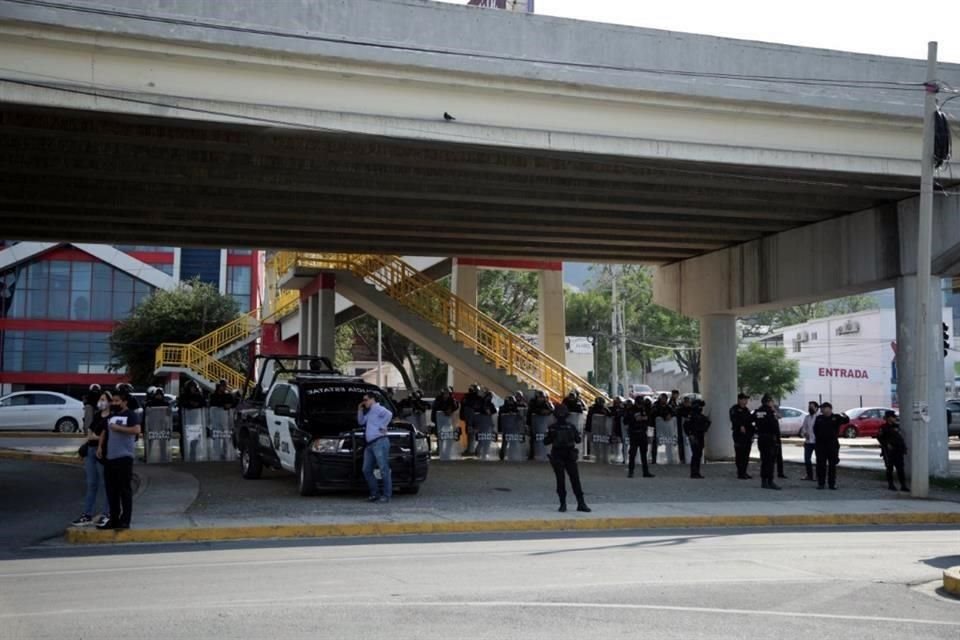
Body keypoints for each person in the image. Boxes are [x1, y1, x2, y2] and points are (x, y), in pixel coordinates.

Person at [96, 388, 141, 530]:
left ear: (124, 402)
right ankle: (113, 519)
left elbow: (136, 430)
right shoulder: (111, 415)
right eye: (113, 401)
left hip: (124, 457)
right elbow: (103, 430)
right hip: (110, 458)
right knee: (111, 491)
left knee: (124, 490)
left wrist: (119, 428)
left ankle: (125, 521)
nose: (114, 403)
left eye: (117, 401)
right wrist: (100, 447)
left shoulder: (130, 415)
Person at [71, 389, 112, 527]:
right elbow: (90, 434)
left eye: (104, 399)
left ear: (110, 401)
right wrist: (98, 436)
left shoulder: (112, 417)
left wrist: (98, 436)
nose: (101, 402)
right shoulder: (97, 415)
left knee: (106, 484)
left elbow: (107, 436)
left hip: (103, 452)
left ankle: (107, 513)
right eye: (100, 399)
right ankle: (87, 514)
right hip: (90, 450)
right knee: (91, 484)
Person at [543, 404, 590, 513]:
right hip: (568, 454)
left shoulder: (553, 427)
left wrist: (552, 435)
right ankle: (581, 503)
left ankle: (563, 504)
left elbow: (546, 442)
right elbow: (578, 440)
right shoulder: (571, 426)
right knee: (575, 480)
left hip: (559, 454)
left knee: (561, 480)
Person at [358, 392, 394, 503]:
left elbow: (389, 414)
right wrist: (360, 410)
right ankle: (375, 494)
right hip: (371, 444)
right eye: (363, 400)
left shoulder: (378, 408)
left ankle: (386, 495)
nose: (364, 402)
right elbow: (361, 422)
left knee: (383, 469)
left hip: (379, 441)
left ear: (372, 399)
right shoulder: (370, 412)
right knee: (366, 470)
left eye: (366, 399)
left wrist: (383, 426)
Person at [812, 402, 850, 490]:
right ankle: (821, 483)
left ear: (829, 408)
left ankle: (832, 483)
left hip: (832, 444)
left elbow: (847, 421)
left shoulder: (836, 417)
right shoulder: (819, 418)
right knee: (821, 465)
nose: (821, 410)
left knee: (832, 465)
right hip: (821, 445)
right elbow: (815, 429)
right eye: (821, 408)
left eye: (823, 408)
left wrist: (845, 415)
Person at [753, 394, 781, 490]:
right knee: (770, 461)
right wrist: (777, 439)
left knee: (764, 460)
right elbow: (775, 426)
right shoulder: (770, 412)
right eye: (772, 401)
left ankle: (763, 481)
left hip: (761, 438)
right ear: (769, 402)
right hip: (770, 439)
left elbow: (751, 421)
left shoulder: (757, 411)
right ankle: (770, 480)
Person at [876, 410, 909, 492]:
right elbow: (879, 437)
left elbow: (900, 438)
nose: (894, 418)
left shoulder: (896, 426)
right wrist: (886, 444)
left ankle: (903, 485)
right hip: (889, 451)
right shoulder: (883, 427)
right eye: (893, 417)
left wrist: (903, 448)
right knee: (889, 468)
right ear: (888, 418)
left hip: (898, 450)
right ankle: (891, 484)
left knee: (900, 468)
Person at [625, 396, 654, 478]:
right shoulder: (631, 410)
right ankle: (631, 472)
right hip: (634, 434)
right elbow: (626, 421)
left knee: (644, 454)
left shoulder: (644, 409)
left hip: (642, 433)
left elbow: (648, 419)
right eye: (639, 404)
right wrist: (635, 419)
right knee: (632, 454)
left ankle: (646, 472)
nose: (640, 405)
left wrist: (643, 418)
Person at [730, 393, 754, 479]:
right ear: (739, 400)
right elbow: (734, 419)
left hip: (747, 435)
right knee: (740, 453)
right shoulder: (734, 409)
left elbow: (750, 421)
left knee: (746, 454)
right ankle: (740, 472)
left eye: (746, 399)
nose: (746, 401)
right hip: (739, 435)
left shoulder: (747, 410)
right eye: (744, 399)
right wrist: (740, 425)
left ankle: (744, 471)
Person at [685, 400, 711, 479]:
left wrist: (707, 423)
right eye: (700, 406)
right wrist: (690, 434)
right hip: (694, 436)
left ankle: (697, 472)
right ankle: (694, 472)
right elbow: (686, 426)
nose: (701, 408)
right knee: (695, 454)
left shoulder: (701, 416)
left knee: (698, 454)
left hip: (700, 436)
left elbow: (705, 426)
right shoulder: (691, 415)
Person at [798, 401, 820, 481]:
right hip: (808, 442)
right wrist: (804, 433)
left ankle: (818, 476)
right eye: (809, 406)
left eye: (812, 406)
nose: (810, 408)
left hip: (817, 442)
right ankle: (809, 475)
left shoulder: (819, 417)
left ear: (816, 408)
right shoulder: (807, 417)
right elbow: (803, 428)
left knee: (819, 459)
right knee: (807, 459)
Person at [648, 393, 672, 465]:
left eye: (665, 399)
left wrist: (670, 415)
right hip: (652, 427)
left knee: (667, 442)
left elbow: (673, 412)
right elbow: (654, 413)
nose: (664, 400)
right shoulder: (655, 406)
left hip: (664, 428)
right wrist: (664, 416)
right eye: (663, 398)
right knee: (652, 443)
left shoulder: (668, 406)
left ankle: (669, 458)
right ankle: (653, 459)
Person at [675, 395, 693, 465]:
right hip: (681, 430)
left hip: (690, 430)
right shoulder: (680, 410)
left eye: (688, 402)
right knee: (681, 444)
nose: (687, 403)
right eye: (686, 402)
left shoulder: (692, 409)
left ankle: (690, 457)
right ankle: (682, 458)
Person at [669, 390, 686, 463]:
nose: (676, 396)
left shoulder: (676, 402)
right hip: (676, 424)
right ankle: (680, 457)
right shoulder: (672, 402)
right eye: (675, 394)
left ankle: (681, 457)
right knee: (679, 441)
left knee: (680, 441)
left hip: (678, 423)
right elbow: (674, 412)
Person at [774, 405, 788, 480]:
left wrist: (775, 412)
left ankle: (780, 472)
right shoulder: (766, 412)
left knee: (779, 456)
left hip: (777, 436)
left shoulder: (774, 411)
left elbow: (780, 416)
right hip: (770, 437)